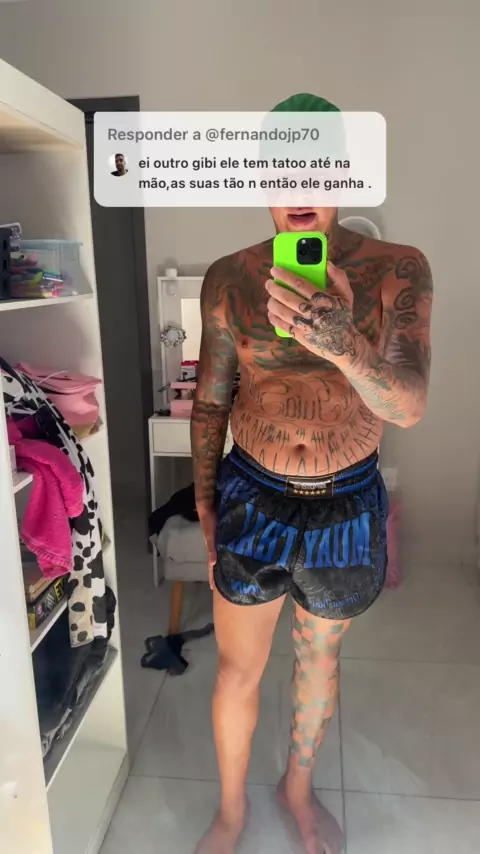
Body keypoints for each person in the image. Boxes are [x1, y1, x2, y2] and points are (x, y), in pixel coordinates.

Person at [191, 93, 433, 854]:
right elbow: (211, 400)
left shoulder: (397, 271)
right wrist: (204, 505)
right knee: (237, 671)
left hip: (346, 504)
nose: (299, 187)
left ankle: (296, 789)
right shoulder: (229, 279)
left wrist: (342, 343)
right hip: (252, 495)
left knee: (319, 661)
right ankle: (231, 812)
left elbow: (409, 406)